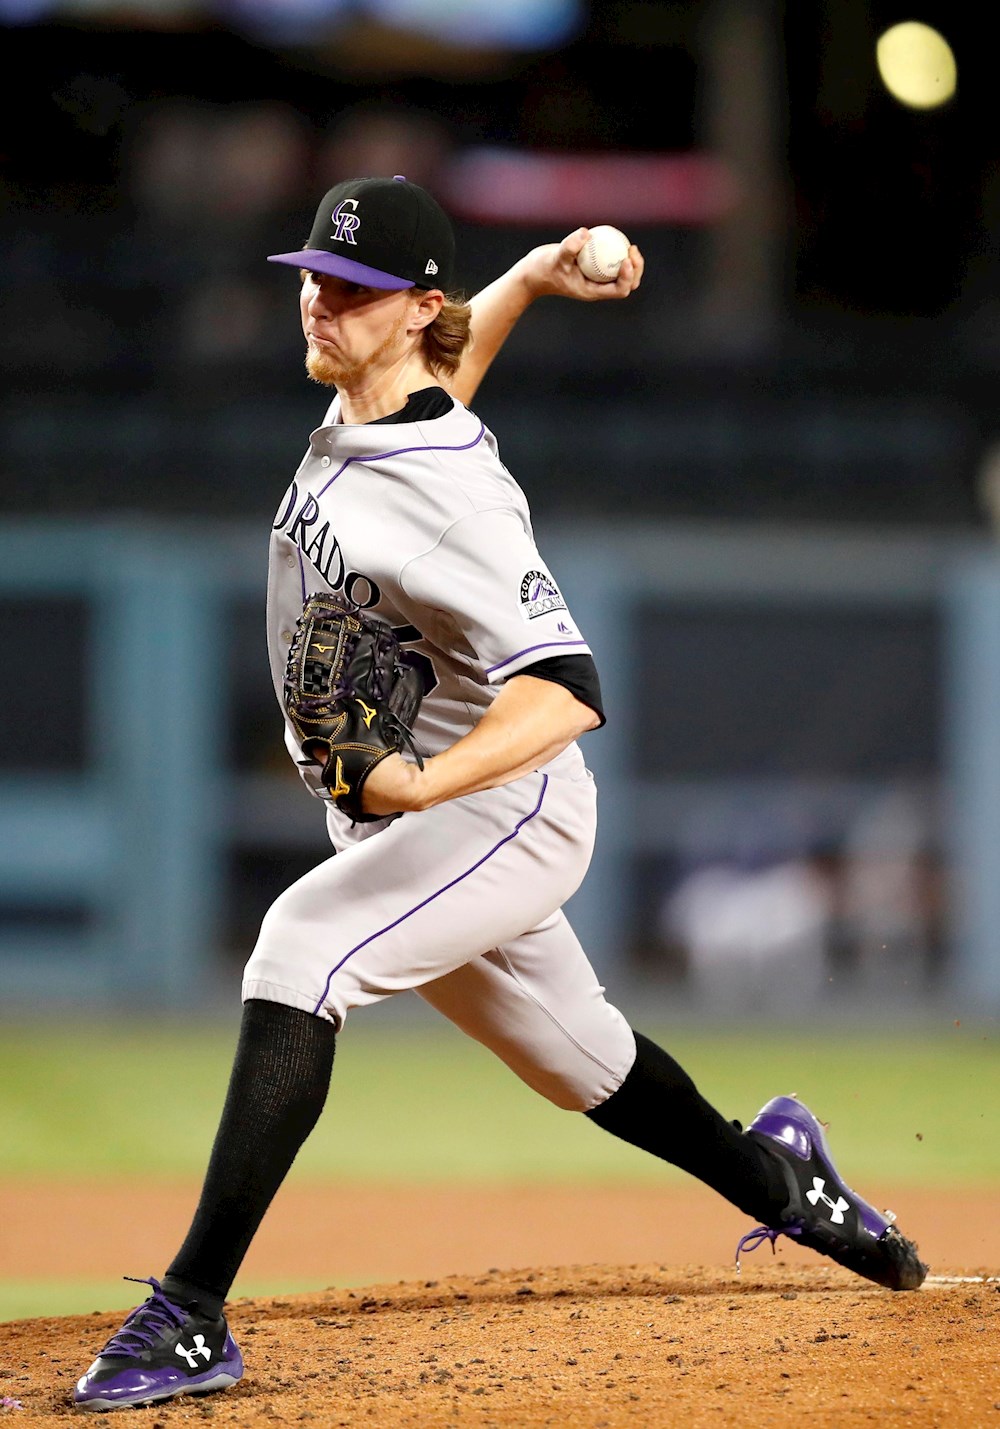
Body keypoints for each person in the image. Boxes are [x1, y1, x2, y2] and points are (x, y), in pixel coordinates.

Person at [73, 176, 927, 1413]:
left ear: (414, 308)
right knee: (586, 1062)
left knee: (300, 947)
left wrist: (426, 781)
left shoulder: (459, 497)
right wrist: (525, 281)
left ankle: (191, 1316)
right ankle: (792, 1182)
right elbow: (435, 405)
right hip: (435, 820)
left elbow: (570, 686)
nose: (320, 301)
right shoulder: (385, 414)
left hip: (504, 813)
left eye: (354, 290)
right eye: (314, 274)